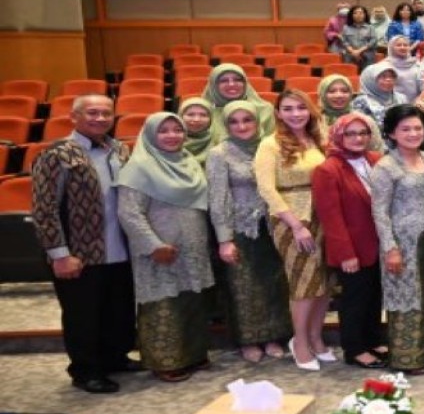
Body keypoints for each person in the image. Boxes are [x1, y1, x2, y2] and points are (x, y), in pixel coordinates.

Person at [32, 94, 138, 393]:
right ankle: (86, 370)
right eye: (92, 113)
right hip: (78, 253)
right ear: (74, 117)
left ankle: (115, 358)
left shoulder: (119, 149)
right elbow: (44, 209)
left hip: (119, 247)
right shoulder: (57, 154)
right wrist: (60, 254)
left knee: (117, 309)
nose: (100, 118)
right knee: (83, 314)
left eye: (106, 113)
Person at [117, 112, 215, 382]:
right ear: (150, 135)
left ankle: (193, 354)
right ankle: (165, 360)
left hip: (192, 247)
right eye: (164, 131)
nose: (172, 136)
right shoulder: (138, 168)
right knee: (163, 303)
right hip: (160, 251)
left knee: (191, 301)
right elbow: (129, 213)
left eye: (177, 130)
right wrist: (153, 245)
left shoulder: (189, 162)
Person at [254, 90, 332, 371]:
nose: (295, 113)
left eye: (301, 107)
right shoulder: (270, 144)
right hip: (292, 220)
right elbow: (266, 189)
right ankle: (299, 341)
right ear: (278, 113)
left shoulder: (317, 140)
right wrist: (297, 226)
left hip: (324, 215)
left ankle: (315, 336)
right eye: (288, 108)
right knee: (304, 283)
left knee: (324, 281)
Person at [207, 101, 290, 364]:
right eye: (234, 121)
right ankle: (248, 340)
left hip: (273, 226)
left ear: (258, 122)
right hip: (240, 228)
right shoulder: (220, 153)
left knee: (273, 284)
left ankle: (274, 336)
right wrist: (224, 239)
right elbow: (217, 198)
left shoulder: (269, 147)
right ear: (226, 124)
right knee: (243, 287)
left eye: (248, 120)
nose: (242, 126)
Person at [370, 105, 424, 374]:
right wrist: (390, 248)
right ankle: (408, 358)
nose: (413, 133)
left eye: (418, 128)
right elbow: (379, 212)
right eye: (405, 129)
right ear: (392, 133)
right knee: (407, 299)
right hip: (403, 243)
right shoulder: (385, 166)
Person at [312, 113, 386, 369]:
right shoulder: (328, 169)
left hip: (378, 244)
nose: (357, 139)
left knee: (375, 296)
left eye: (363, 133)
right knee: (355, 300)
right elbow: (330, 217)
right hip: (352, 248)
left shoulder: (376, 160)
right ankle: (354, 348)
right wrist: (345, 254)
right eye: (350, 134)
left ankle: (373, 340)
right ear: (339, 136)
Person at [203, 64, 276, 142]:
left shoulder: (265, 109)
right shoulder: (202, 113)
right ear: (213, 86)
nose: (231, 84)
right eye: (223, 81)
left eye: (237, 80)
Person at [353, 62, 408, 129]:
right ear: (370, 79)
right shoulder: (361, 101)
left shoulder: (402, 98)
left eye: (392, 76)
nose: (389, 79)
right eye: (383, 76)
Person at [381, 35, 424, 102]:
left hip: (416, 104)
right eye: (398, 45)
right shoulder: (384, 65)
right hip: (392, 105)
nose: (402, 47)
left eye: (405, 45)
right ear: (391, 47)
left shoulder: (417, 63)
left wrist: (419, 101)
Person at [341, 5, 379, 72]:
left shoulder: (370, 27)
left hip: (367, 56)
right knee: (350, 75)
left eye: (361, 13)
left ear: (365, 15)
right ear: (351, 15)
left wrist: (359, 51)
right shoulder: (346, 27)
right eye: (355, 13)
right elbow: (344, 41)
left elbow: (373, 41)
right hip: (350, 56)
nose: (358, 15)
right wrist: (353, 51)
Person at [178, 97, 215, 165]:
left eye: (203, 115)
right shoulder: (168, 141)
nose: (196, 119)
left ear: (211, 119)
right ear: (180, 116)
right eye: (190, 115)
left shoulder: (217, 143)